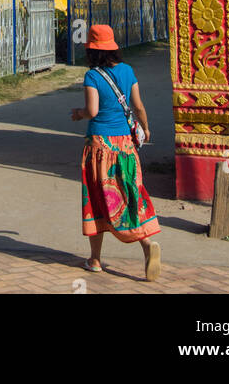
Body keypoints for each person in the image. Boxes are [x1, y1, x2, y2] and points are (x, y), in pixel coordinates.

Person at [71, 23, 160, 279]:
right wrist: (146, 128)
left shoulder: (92, 76)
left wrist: (78, 114)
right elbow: (139, 106)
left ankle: (95, 259)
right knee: (130, 192)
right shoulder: (128, 70)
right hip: (125, 146)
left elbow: (93, 111)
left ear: (92, 51)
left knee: (97, 199)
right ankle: (146, 245)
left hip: (100, 146)